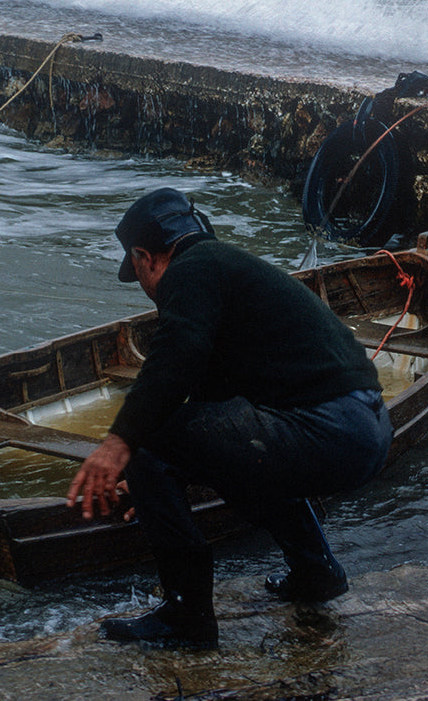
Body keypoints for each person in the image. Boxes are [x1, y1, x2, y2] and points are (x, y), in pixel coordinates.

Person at [66, 188, 393, 649]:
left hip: (327, 427)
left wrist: (119, 447)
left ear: (146, 258)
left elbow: (175, 356)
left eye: (136, 271)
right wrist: (157, 488)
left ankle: (187, 616)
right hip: (368, 429)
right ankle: (315, 572)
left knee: (148, 442)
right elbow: (207, 422)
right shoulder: (227, 270)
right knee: (201, 448)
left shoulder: (191, 269)